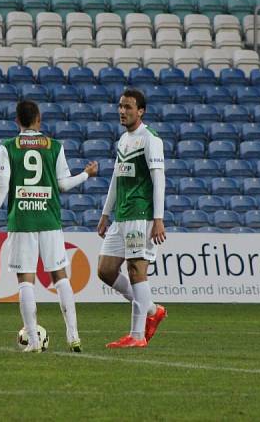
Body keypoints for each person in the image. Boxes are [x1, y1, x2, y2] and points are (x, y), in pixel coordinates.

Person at [0, 100, 98, 353]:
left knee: (26, 279)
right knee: (60, 276)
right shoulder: (54, 146)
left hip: (22, 220)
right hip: (49, 219)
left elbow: (2, 184)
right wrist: (86, 175)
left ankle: (34, 342)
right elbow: (63, 185)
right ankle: (73, 336)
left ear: (17, 122)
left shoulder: (8, 147)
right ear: (39, 120)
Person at [97, 89, 168, 349]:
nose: (122, 111)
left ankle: (137, 336)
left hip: (141, 215)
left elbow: (159, 179)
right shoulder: (123, 141)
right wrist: (106, 213)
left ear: (141, 111)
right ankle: (152, 309)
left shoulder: (150, 139)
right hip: (121, 215)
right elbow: (117, 179)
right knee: (105, 270)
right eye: (120, 106)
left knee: (137, 271)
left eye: (128, 107)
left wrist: (158, 218)